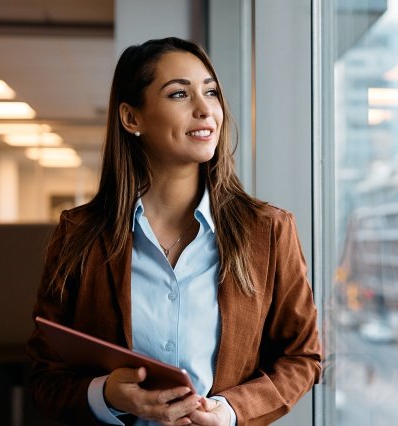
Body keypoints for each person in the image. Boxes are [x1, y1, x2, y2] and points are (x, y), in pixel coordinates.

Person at [27, 37, 322, 426]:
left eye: (211, 92)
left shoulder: (267, 231)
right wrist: (107, 394)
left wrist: (232, 411)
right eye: (180, 94)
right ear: (132, 118)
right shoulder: (79, 234)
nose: (205, 110)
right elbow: (43, 375)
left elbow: (303, 356)